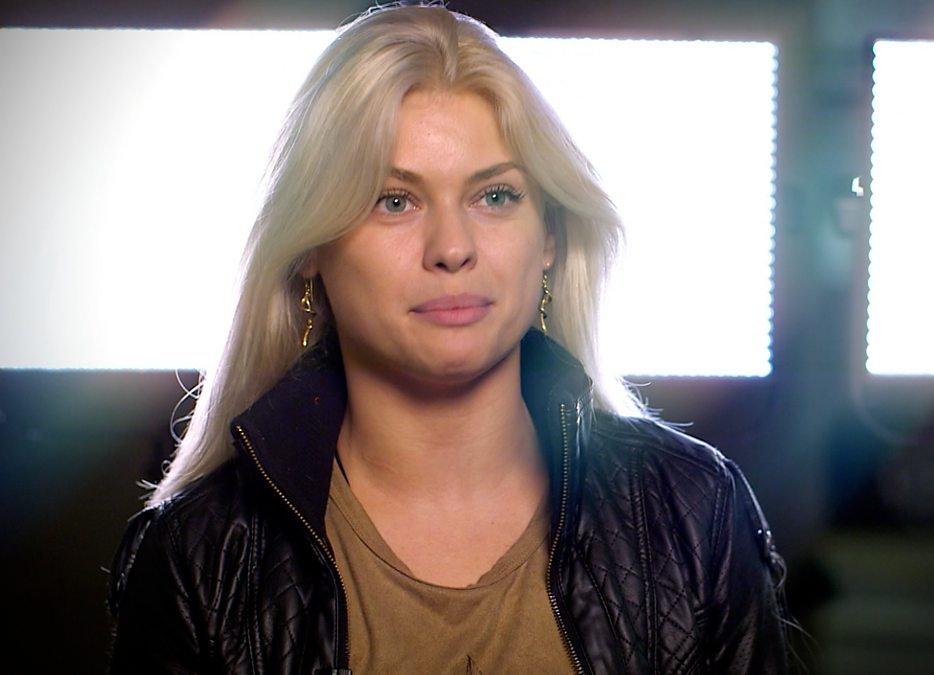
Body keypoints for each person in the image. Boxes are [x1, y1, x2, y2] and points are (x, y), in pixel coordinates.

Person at [107, 3, 793, 673]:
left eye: (495, 196)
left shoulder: (695, 513)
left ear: (550, 238)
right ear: (311, 247)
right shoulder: (197, 557)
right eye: (394, 200)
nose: (452, 248)